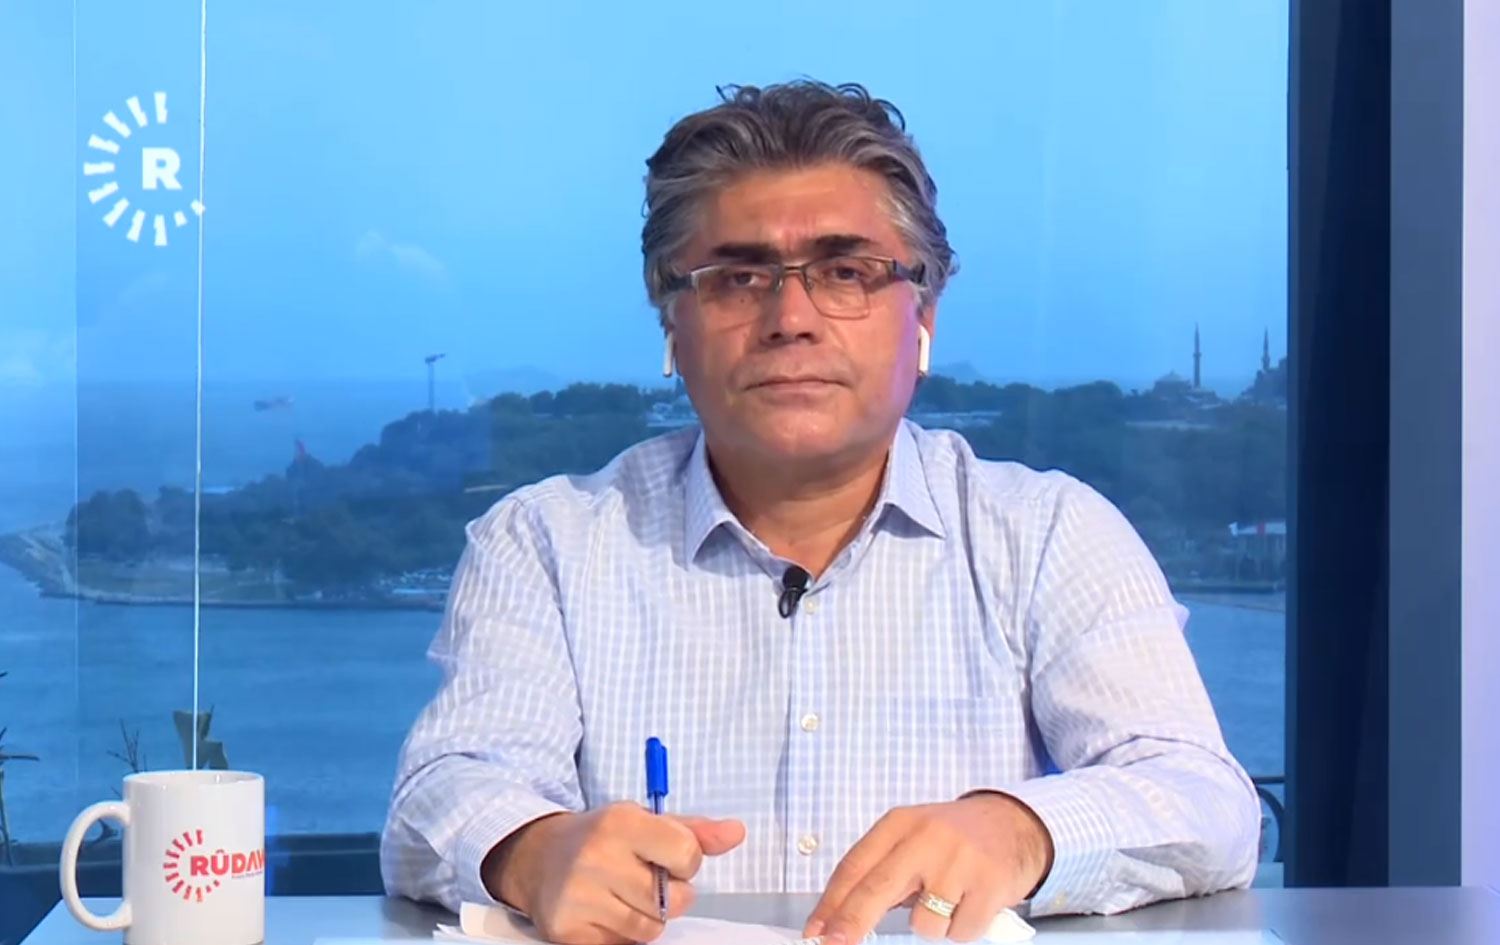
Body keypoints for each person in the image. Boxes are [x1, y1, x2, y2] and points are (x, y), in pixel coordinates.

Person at [381, 80, 1260, 945]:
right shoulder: (546, 542)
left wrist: (1021, 830)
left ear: (924, 314)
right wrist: (534, 851)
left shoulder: (1050, 534)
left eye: (847, 272)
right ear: (671, 325)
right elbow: (443, 794)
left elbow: (1206, 801)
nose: (791, 318)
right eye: (738, 278)